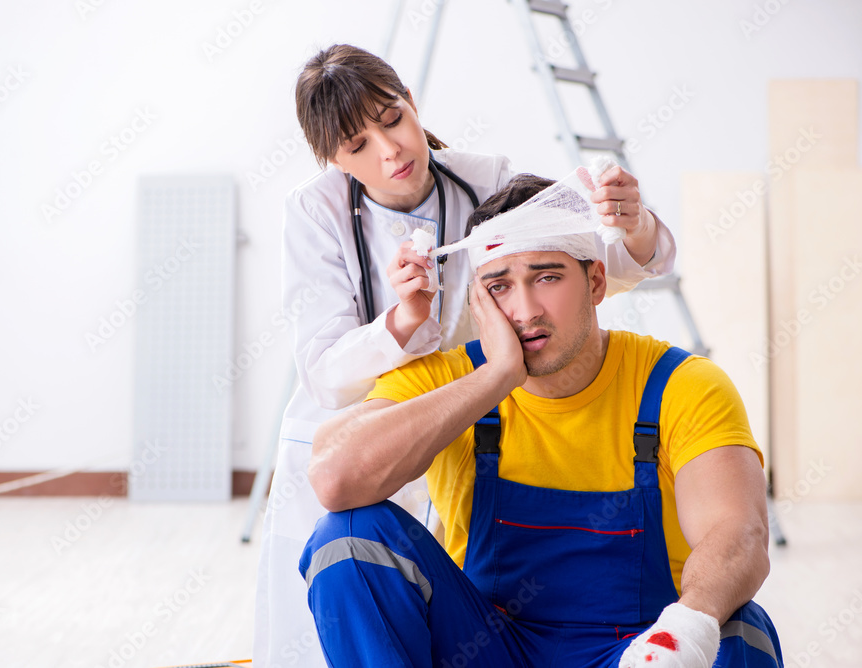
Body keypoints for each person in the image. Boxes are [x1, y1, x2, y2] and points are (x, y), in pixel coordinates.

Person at [254, 43, 679, 667]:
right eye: (357, 146)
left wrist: (633, 221)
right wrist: (401, 322)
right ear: (333, 160)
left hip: (455, 419)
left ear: (412, 103)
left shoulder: (485, 177)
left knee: (449, 614)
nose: (390, 149)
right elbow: (323, 374)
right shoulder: (313, 211)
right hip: (355, 430)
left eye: (392, 118)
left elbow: (592, 258)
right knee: (330, 622)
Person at [301, 173, 782, 668]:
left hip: (638, 653)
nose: (525, 310)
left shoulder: (680, 385)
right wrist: (497, 377)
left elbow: (738, 532)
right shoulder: (448, 381)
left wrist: (682, 634)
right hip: (485, 651)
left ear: (595, 281)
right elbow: (335, 480)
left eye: (547, 277)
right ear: (477, 302)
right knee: (349, 536)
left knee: (739, 630)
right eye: (500, 287)